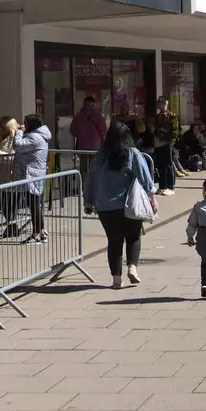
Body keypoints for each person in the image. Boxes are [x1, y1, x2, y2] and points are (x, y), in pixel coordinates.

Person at [83, 121, 156, 289]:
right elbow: (145, 178)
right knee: (133, 237)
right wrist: (153, 198)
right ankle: (132, 267)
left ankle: (116, 280)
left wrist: (88, 200)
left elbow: (90, 180)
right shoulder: (133, 154)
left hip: (105, 207)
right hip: (129, 204)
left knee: (114, 241)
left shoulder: (100, 156)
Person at [7, 113, 53, 242]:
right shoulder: (38, 136)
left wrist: (19, 132)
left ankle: (36, 234)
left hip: (31, 174)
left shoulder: (35, 137)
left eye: (25, 123)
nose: (23, 125)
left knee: (33, 205)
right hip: (33, 173)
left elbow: (18, 146)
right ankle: (41, 231)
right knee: (34, 204)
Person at [151, 96, 180, 196]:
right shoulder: (158, 116)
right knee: (160, 166)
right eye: (159, 103)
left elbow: (175, 132)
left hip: (167, 144)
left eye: (163, 103)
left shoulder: (172, 116)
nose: (161, 105)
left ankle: (170, 186)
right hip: (158, 143)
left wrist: (171, 144)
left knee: (168, 166)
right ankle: (162, 186)